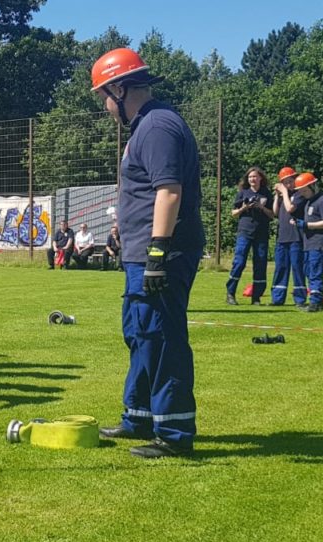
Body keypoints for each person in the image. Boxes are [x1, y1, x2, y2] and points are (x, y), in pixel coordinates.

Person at [89, 48, 203, 458]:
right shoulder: (145, 127)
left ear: (120, 88)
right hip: (140, 252)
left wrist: (157, 250)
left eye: (104, 94)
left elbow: (169, 190)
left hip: (162, 255)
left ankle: (174, 434)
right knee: (140, 334)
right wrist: (124, 228)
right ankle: (138, 415)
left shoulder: (156, 127)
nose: (105, 105)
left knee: (163, 336)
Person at [225, 167, 274, 305]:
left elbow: (272, 215)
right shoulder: (242, 193)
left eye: (255, 176)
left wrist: (260, 207)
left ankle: (256, 297)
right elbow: (233, 214)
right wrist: (244, 208)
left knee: (260, 264)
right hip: (245, 232)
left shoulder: (266, 194)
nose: (252, 179)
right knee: (239, 262)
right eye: (250, 177)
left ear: (260, 178)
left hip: (261, 234)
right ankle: (230, 293)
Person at [293, 172, 323, 312]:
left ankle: (315, 302)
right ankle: (317, 299)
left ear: (312, 186)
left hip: (319, 242)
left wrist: (306, 225)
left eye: (304, 190)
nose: (302, 193)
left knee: (315, 271)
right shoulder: (309, 202)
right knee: (308, 271)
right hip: (308, 243)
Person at [270, 167, 308, 308]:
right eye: (285, 182)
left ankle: (300, 299)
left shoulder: (299, 194)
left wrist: (285, 193)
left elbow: (290, 208)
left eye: (290, 181)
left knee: (297, 268)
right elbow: (275, 212)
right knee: (280, 268)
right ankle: (277, 298)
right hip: (282, 237)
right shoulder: (283, 195)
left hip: (296, 237)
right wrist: (276, 196)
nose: (288, 184)